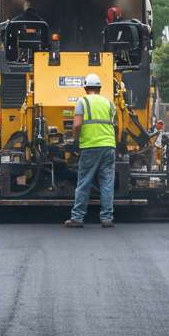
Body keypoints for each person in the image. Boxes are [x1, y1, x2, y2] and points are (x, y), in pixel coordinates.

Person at [65, 73, 116, 229]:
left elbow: (77, 125)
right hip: (108, 146)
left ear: (86, 88)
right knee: (107, 183)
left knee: (84, 182)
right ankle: (107, 218)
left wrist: (75, 140)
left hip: (90, 146)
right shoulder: (109, 103)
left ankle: (77, 218)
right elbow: (115, 124)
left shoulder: (83, 101)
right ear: (99, 88)